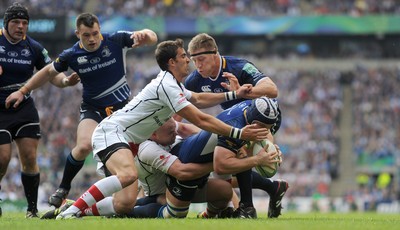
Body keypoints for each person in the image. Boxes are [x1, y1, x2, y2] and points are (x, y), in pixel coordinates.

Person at [56, 38, 269, 219]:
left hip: (128, 140)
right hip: (112, 132)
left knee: (125, 203)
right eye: (184, 56)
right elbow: (200, 119)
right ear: (172, 62)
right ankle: (72, 211)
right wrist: (238, 133)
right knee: (128, 175)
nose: (188, 60)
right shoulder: (167, 86)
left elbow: (198, 98)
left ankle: (77, 208)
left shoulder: (173, 84)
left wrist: (234, 95)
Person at [5, 12, 158, 208]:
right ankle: (63, 188)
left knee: (125, 202)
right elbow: (47, 72)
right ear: (78, 33)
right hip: (93, 108)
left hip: (122, 111)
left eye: (95, 33)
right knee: (84, 145)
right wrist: (23, 90)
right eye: (86, 35)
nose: (92, 39)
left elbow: (151, 37)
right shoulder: (72, 55)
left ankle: (110, 196)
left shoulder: (116, 40)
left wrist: (145, 34)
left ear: (100, 30)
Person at [184, 33, 287, 218]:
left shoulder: (239, 66)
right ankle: (270, 189)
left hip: (263, 117)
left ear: (215, 54)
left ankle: (247, 207)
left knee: (236, 156)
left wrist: (243, 92)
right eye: (194, 60)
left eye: (201, 59)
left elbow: (272, 90)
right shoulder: (194, 80)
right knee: (223, 168)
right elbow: (182, 106)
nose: (198, 65)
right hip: (236, 124)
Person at [0, 2, 79, 218]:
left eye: (24, 23)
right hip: (0, 108)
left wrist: (65, 82)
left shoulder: (34, 47)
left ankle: (32, 210)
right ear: (7, 23)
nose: (20, 26)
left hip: (24, 106)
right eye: (16, 22)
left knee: (29, 156)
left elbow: (50, 72)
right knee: (2, 157)